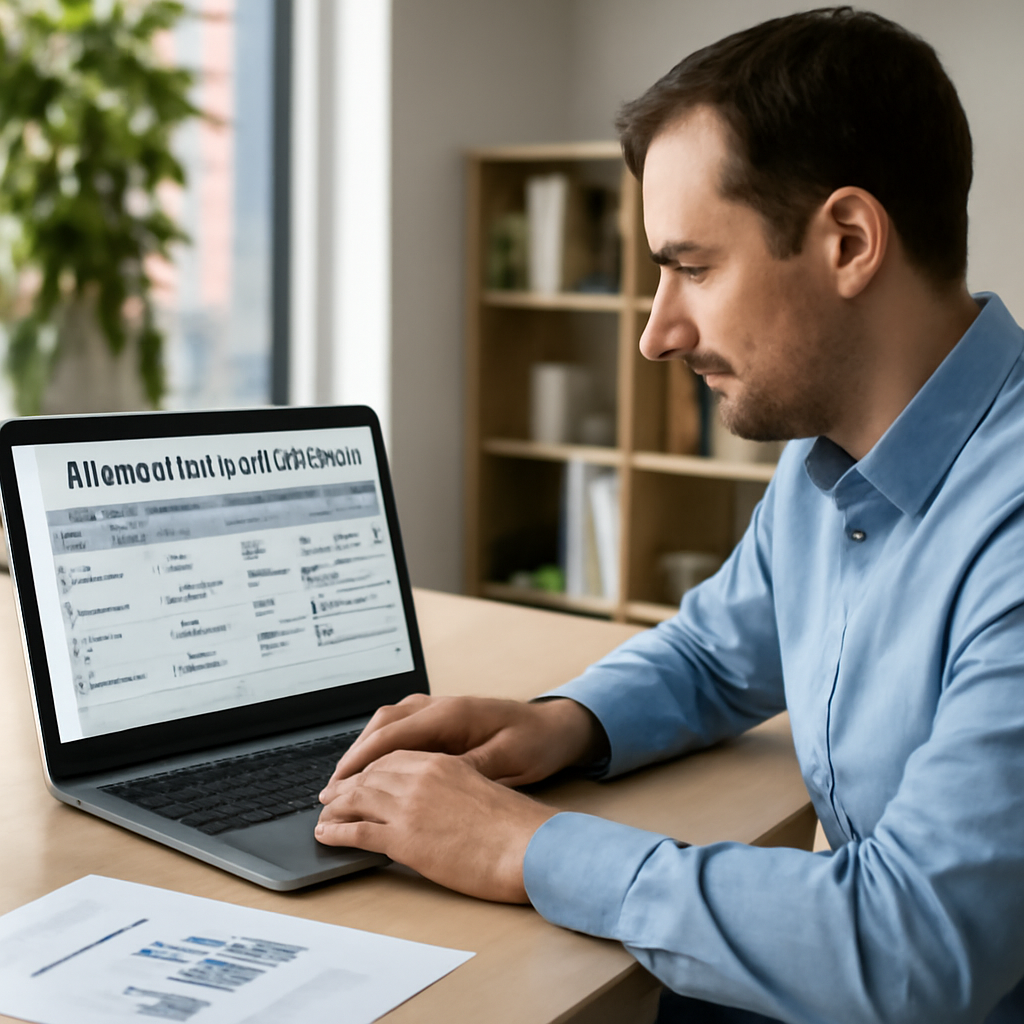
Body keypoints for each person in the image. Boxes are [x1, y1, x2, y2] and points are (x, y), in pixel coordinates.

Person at [316, 8, 1024, 1022]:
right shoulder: (830, 459)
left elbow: (908, 946)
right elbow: (717, 651)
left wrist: (524, 846)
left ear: (849, 242)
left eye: (692, 267)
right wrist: (560, 722)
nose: (655, 332)